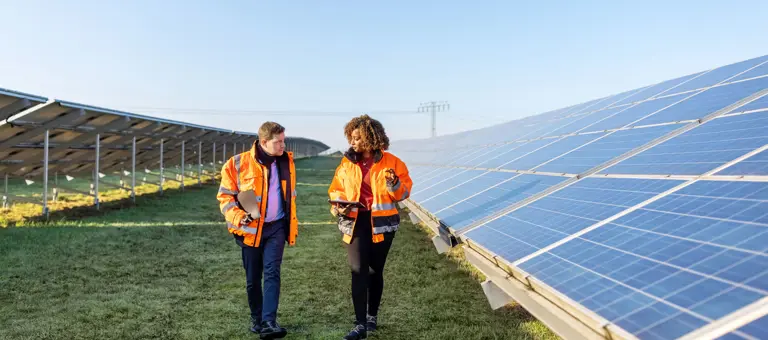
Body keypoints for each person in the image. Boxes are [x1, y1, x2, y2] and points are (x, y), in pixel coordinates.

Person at [328, 114, 413, 340]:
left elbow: (403, 194)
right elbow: (336, 190)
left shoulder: (393, 163)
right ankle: (360, 324)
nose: (352, 142)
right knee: (358, 270)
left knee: (375, 270)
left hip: (382, 224)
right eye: (350, 138)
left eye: (356, 138)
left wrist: (394, 183)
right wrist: (338, 207)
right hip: (355, 222)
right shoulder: (346, 163)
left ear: (370, 137)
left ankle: (372, 316)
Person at [217, 121, 298, 339]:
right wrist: (238, 216)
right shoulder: (237, 164)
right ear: (263, 142)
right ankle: (257, 318)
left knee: (272, 272)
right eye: (278, 141)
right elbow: (225, 196)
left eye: (283, 140)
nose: (283, 145)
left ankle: (269, 322)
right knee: (253, 278)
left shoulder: (286, 162)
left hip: (277, 227)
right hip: (251, 230)